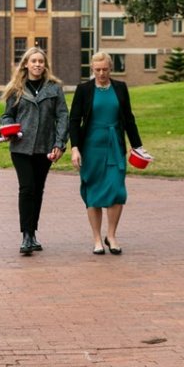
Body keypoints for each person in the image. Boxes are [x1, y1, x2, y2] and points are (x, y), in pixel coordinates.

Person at [69, 51, 144, 255]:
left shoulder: (120, 88)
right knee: (93, 192)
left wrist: (137, 146)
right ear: (92, 69)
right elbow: (74, 120)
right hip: (91, 146)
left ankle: (111, 235)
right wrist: (75, 148)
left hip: (115, 145)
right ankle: (96, 239)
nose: (101, 73)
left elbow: (128, 118)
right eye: (98, 69)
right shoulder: (84, 89)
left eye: (105, 69)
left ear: (111, 68)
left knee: (117, 189)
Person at [0, 47, 69, 255]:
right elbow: (7, 115)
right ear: (26, 64)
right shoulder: (16, 88)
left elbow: (63, 116)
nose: (37, 64)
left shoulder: (54, 88)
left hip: (45, 148)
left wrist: (59, 144)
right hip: (21, 147)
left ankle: (33, 232)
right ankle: (26, 235)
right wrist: (8, 128)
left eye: (41, 61)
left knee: (37, 191)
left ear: (45, 65)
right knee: (27, 188)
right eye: (33, 61)